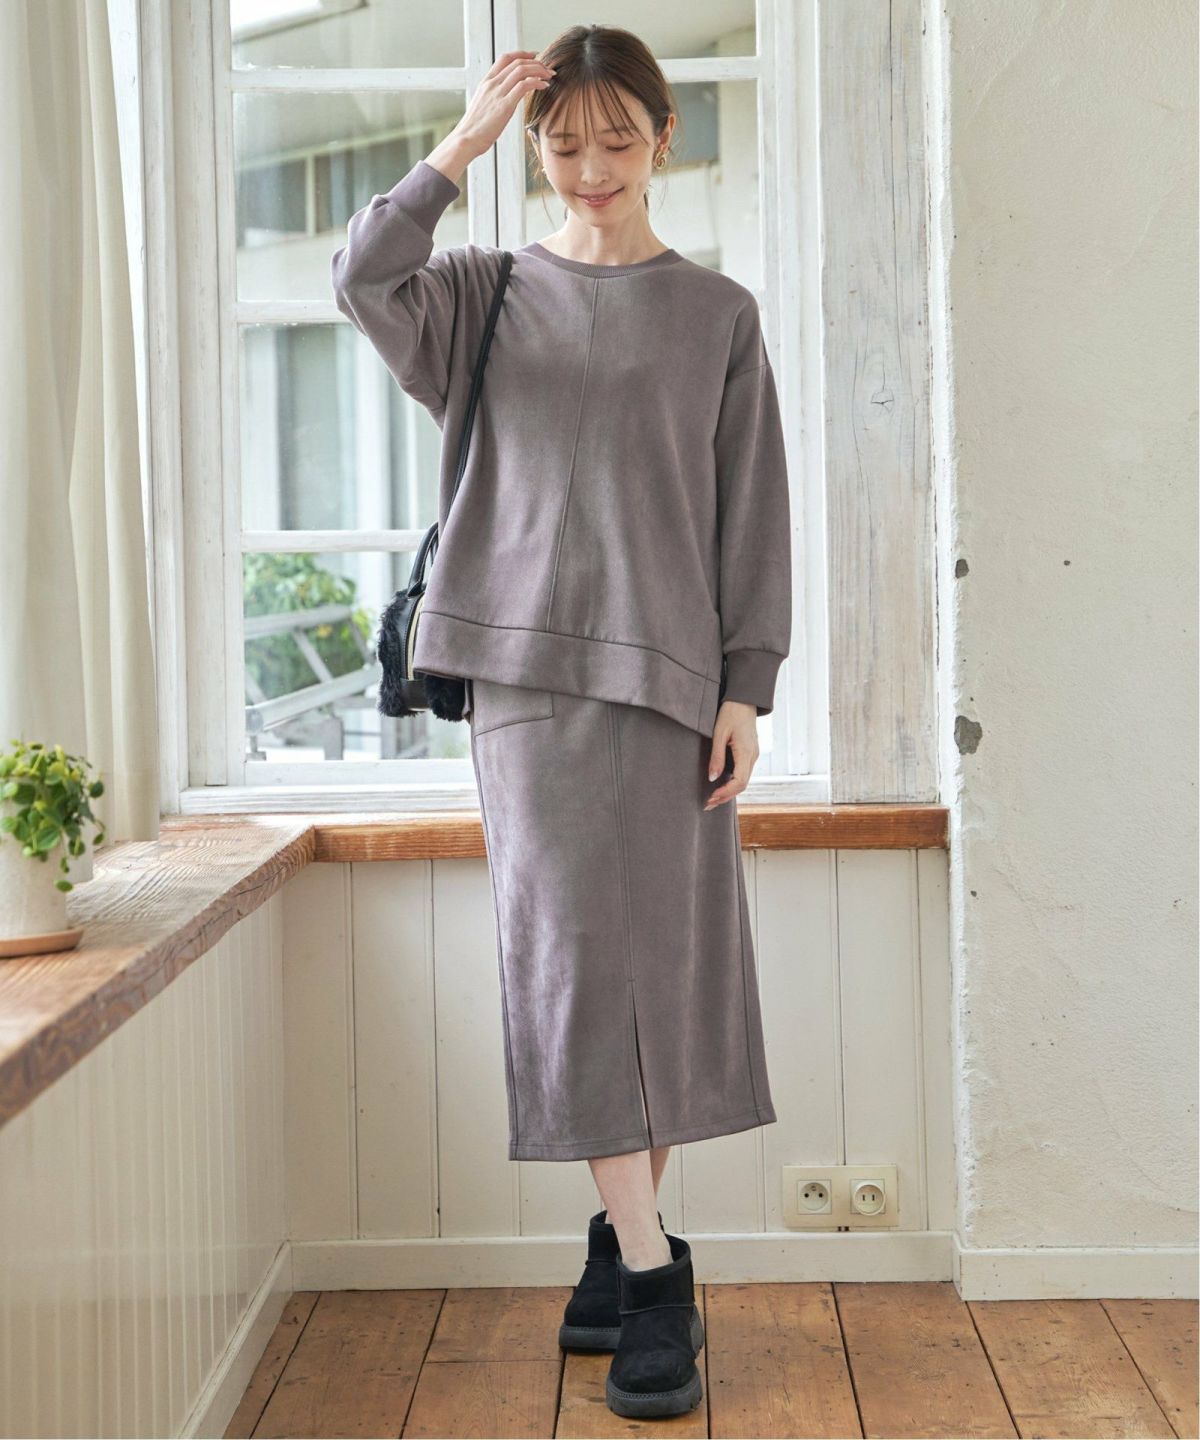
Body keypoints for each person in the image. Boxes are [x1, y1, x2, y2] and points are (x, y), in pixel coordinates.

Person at [331, 23, 792, 1420]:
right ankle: (655, 1281)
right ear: (533, 150)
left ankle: (614, 1248)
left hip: (674, 687)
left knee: (666, 980)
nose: (593, 168)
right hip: (526, 684)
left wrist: (747, 685)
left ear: (664, 138)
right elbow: (360, 275)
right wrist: (459, 146)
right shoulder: (481, 295)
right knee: (579, 975)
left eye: (618, 140)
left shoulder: (716, 315)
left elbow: (751, 513)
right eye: (564, 144)